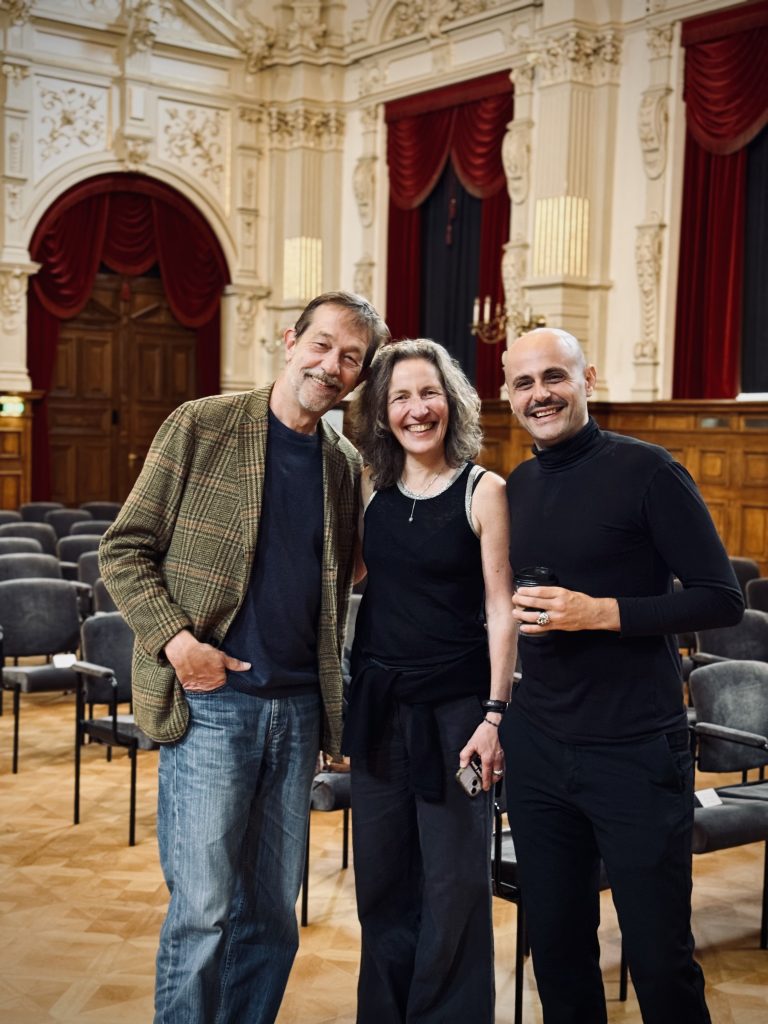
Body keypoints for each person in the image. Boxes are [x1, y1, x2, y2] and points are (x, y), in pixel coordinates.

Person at [98, 291, 390, 1024]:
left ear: (358, 377)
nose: (332, 365)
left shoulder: (344, 462)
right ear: (290, 341)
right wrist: (178, 643)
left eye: (350, 357)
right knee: (202, 912)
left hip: (296, 711)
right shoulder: (203, 424)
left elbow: (354, 577)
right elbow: (124, 549)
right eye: (322, 345)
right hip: (211, 703)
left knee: (271, 917)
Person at [500, 327, 744, 1023]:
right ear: (508, 396)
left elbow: (720, 598)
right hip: (541, 746)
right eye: (524, 383)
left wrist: (598, 613)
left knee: (658, 957)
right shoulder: (517, 484)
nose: (539, 394)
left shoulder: (649, 470)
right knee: (557, 952)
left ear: (588, 378)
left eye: (554, 377)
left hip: (636, 748)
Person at [343, 338, 517, 1023]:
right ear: (383, 416)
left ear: (453, 401)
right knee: (382, 883)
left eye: (429, 393)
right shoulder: (369, 488)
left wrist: (495, 716)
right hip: (381, 712)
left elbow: (502, 610)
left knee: (455, 885)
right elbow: (351, 582)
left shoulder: (486, 490)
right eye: (401, 397)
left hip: (459, 720)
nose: (417, 409)